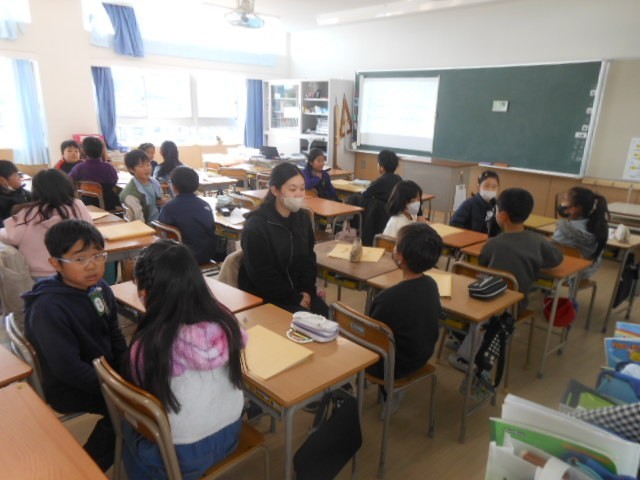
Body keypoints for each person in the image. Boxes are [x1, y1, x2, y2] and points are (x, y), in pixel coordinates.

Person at [124, 240, 245, 479]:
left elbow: (140, 389)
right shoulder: (226, 323)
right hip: (231, 433)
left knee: (124, 424)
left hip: (178, 456)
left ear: (144, 293)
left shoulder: (151, 343)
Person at [23, 219, 126, 471]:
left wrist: (127, 370)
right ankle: (86, 469)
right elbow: (68, 369)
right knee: (127, 412)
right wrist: (117, 389)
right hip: (68, 386)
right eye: (79, 259)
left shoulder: (100, 288)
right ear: (56, 264)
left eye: (98, 255)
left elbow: (115, 334)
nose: (92, 265)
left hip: (102, 372)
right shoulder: (49, 308)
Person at [449, 188, 563, 371]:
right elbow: (556, 259)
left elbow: (483, 263)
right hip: (515, 306)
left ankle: (467, 349)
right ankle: (473, 347)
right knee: (491, 316)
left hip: (485, 299)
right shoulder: (538, 242)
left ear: (502, 216)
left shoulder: (493, 243)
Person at [368, 222, 443, 415]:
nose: (393, 249)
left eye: (396, 246)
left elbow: (372, 340)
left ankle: (388, 392)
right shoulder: (432, 285)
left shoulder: (387, 298)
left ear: (400, 257)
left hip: (391, 366)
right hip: (422, 355)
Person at [239, 162, 329, 316]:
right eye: (292, 189)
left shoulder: (303, 218)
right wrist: (294, 298)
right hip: (266, 296)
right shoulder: (256, 226)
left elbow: (308, 259)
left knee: (322, 313)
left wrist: (307, 291)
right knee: (306, 321)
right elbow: (261, 275)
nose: (299, 194)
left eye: (302, 188)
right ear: (275, 190)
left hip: (298, 292)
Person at [0, 169, 93, 278]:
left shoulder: (28, 212)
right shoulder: (77, 206)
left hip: (38, 275)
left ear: (35, 190)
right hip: (74, 271)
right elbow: (91, 231)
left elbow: (12, 237)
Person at [158, 166, 217, 265]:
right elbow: (212, 229)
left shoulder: (168, 207)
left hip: (181, 257)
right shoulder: (205, 205)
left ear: (174, 187)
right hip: (207, 254)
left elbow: (162, 231)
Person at [553, 186, 609, 278]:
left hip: (563, 270)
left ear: (575, 209)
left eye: (565, 199)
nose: (562, 202)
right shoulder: (598, 227)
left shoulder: (565, 228)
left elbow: (554, 247)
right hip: (586, 271)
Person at [69, 136, 120, 211]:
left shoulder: (79, 168)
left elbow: (69, 181)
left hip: (87, 204)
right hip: (108, 204)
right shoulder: (108, 167)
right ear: (102, 151)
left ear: (84, 151)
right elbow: (115, 181)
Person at [120, 149, 165, 224]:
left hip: (161, 221)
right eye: (141, 166)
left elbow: (162, 200)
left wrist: (164, 201)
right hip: (149, 226)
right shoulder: (130, 194)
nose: (146, 169)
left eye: (148, 165)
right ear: (131, 169)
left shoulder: (154, 182)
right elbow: (139, 222)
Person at [450, 170, 500, 237]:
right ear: (478, 187)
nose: (490, 189)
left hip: (488, 240)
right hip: (470, 239)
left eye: (494, 187)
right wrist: (468, 236)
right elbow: (454, 224)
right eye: (486, 186)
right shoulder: (469, 204)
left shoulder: (496, 206)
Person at [0, 159, 31, 227]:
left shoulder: (21, 191)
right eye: (16, 175)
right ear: (2, 180)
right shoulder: (3, 201)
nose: (19, 178)